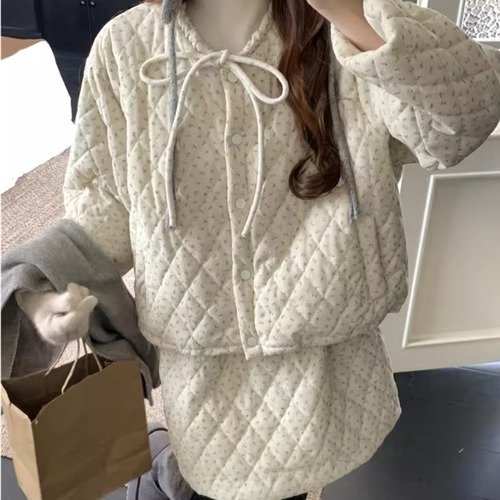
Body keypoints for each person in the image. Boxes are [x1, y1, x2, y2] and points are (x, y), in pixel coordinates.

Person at [15, 0, 500, 499]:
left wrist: (356, 16)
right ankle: (170, 469)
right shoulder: (125, 47)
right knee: (208, 477)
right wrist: (50, 286)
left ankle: (168, 473)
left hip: (325, 357)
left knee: (293, 482)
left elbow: (462, 120)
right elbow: (103, 211)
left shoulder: (336, 30)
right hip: (202, 365)